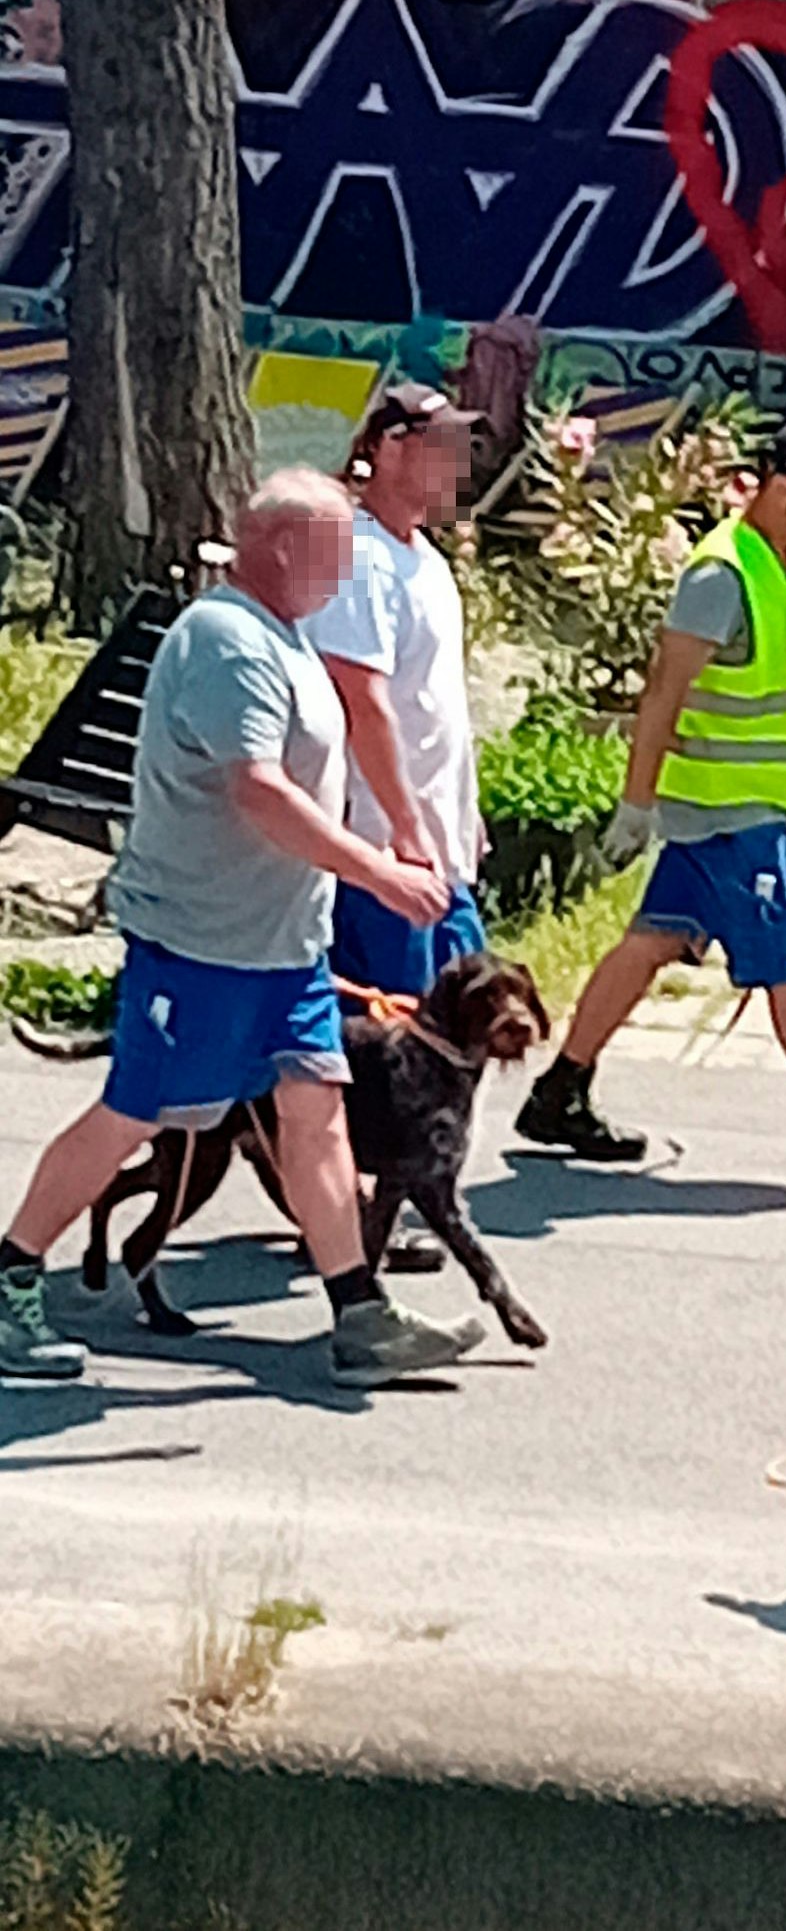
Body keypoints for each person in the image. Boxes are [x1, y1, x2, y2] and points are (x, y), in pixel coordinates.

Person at [0, 472, 486, 1384]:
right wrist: (376, 870)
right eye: (336, 548)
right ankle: (11, 1275)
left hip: (284, 947)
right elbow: (257, 789)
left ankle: (359, 1314)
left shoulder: (288, 637)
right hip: (200, 943)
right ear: (283, 548)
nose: (349, 565)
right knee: (132, 1114)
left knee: (317, 1115)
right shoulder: (227, 643)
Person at [513, 419, 786, 1198]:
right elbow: (663, 694)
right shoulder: (719, 577)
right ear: (782, 490)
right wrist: (635, 806)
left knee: (650, 942)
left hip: (750, 811)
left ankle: (559, 1092)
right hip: (727, 818)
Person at [308, 382, 487, 996]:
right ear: (389, 449)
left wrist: (465, 813)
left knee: (460, 1027)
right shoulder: (359, 557)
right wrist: (405, 830)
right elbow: (362, 699)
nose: (457, 464)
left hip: (440, 844)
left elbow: (437, 703)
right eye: (442, 447)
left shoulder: (426, 560)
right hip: (382, 849)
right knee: (400, 1039)